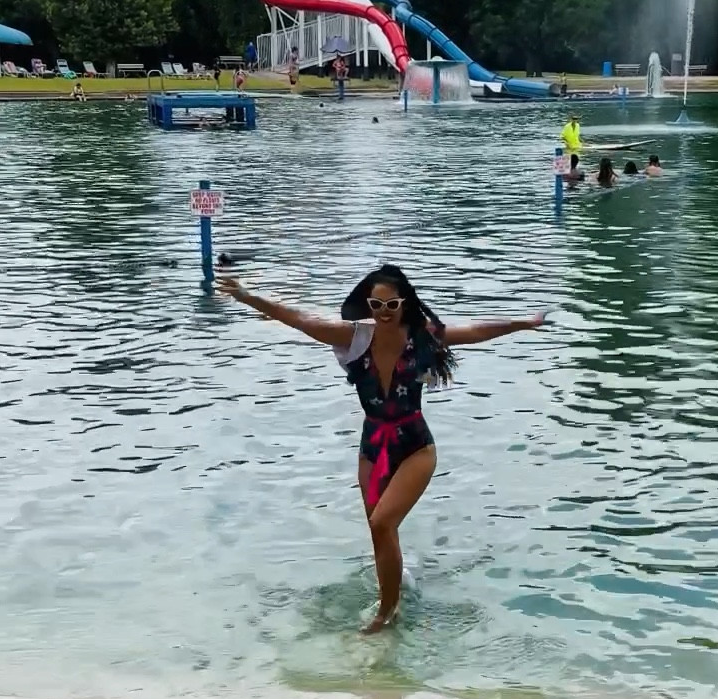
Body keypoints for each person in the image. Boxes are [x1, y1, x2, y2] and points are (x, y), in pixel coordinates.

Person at [218, 264, 546, 632]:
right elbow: (298, 318)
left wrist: (522, 324)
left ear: (405, 304)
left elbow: (475, 330)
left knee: (382, 522)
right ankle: (394, 587)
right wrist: (247, 296)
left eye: (392, 306)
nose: (384, 313)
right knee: (379, 532)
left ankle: (386, 614)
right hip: (371, 446)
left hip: (415, 446)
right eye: (377, 305)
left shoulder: (423, 337)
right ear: (368, 305)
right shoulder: (353, 337)